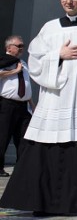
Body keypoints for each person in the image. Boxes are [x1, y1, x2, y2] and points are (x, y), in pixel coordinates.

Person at [0, 0, 77, 215]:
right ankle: (41, 202)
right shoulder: (50, 28)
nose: (68, 1)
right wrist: (58, 55)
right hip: (54, 98)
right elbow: (35, 60)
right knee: (43, 150)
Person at [0, 36, 34, 178]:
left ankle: (22, 167)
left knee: (24, 137)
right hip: (7, 105)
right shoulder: (3, 61)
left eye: (22, 46)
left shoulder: (23, 63)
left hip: (23, 106)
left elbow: (26, 86)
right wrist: (14, 71)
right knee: (3, 136)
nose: (21, 48)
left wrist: (33, 105)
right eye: (18, 46)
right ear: (9, 48)